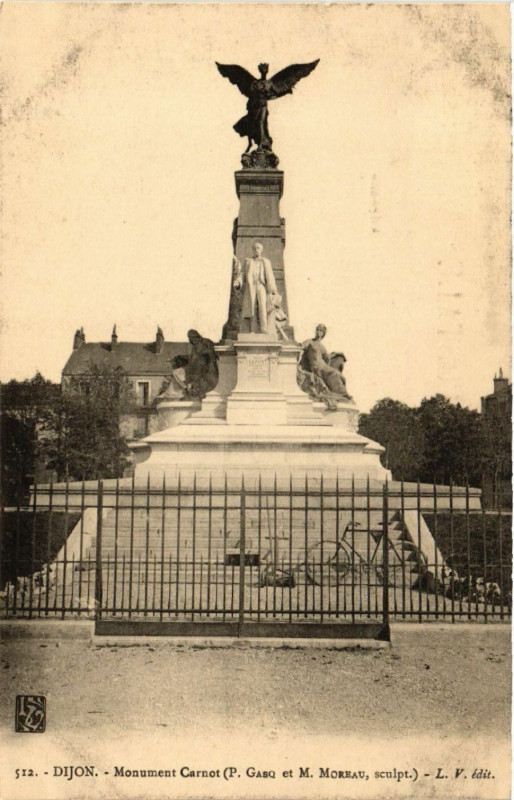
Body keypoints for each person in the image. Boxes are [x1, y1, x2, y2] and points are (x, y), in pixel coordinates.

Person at [233, 242, 278, 334]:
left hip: (261, 286)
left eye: (258, 248)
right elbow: (242, 274)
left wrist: (273, 290)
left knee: (263, 307)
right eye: (255, 248)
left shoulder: (266, 261)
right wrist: (238, 281)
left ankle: (264, 329)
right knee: (252, 308)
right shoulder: (248, 261)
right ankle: (252, 329)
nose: (256, 250)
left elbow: (270, 276)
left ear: (261, 250)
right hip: (251, 287)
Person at [300, 324, 350, 398]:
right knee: (335, 373)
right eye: (317, 329)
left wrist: (336, 354)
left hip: (323, 366)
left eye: (320, 330)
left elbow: (327, 358)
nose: (318, 331)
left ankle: (341, 393)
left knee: (339, 375)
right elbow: (300, 347)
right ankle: (341, 393)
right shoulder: (309, 342)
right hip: (316, 367)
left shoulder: (322, 347)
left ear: (323, 333)